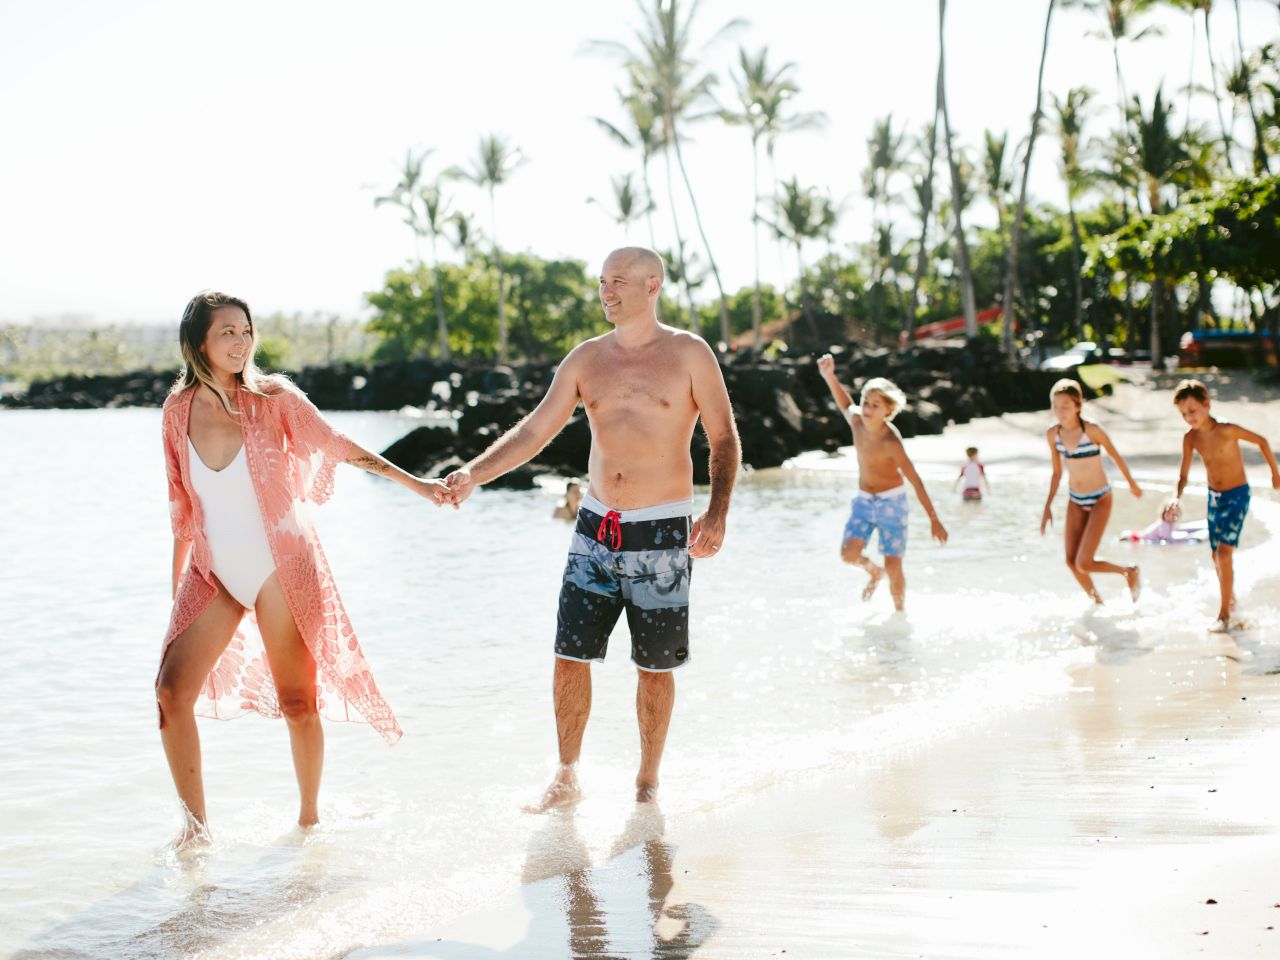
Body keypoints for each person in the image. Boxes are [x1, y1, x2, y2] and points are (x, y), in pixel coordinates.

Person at [444, 247, 740, 812]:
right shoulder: (585, 359)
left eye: (620, 282)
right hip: (595, 531)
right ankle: (566, 775)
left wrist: (718, 512)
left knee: (654, 667)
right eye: (603, 281)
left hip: (661, 534)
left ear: (653, 286)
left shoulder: (688, 354)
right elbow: (534, 432)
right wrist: (474, 474)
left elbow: (723, 438)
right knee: (568, 655)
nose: (607, 291)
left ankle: (647, 778)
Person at [157, 291, 449, 848]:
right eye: (227, 333)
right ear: (199, 344)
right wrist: (174, 594)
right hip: (213, 571)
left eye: (246, 331)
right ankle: (195, 834)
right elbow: (180, 507)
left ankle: (309, 824)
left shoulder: (274, 399)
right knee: (172, 694)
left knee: (298, 701)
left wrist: (418, 484)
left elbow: (336, 444)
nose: (241, 342)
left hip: (280, 566)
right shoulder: (176, 413)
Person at [816, 355, 948, 611]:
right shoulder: (857, 422)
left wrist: (934, 518)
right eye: (866, 402)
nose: (866, 409)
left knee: (894, 564)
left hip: (892, 503)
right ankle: (873, 572)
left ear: (888, 411)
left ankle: (900, 614)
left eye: (875, 405)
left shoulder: (891, 442)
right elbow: (845, 403)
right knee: (848, 554)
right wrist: (829, 376)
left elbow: (915, 480)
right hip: (864, 501)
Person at [1170, 378, 1280, 631]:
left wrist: (1275, 473)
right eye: (1184, 414)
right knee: (1215, 556)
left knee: (1223, 554)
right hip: (1215, 498)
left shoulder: (1227, 429)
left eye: (1192, 411)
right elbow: (1183, 475)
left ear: (1206, 404)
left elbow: (1261, 440)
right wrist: (1177, 497)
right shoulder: (1191, 439)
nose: (1189, 418)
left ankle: (1223, 616)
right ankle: (1232, 603)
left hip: (1237, 496)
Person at [1040, 378, 1142, 604]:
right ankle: (1098, 603)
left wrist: (1132, 485)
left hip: (1100, 499)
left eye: (1065, 406)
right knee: (1070, 561)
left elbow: (1116, 457)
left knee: (1083, 562)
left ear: (1078, 406)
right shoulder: (1053, 435)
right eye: (1055, 406)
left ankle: (1128, 571)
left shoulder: (1092, 430)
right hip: (1075, 499)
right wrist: (1047, 507)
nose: (1060, 411)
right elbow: (1057, 473)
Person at [1118, 498, 1207, 544]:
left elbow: (1179, 530)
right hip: (1138, 539)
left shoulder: (1169, 523)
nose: (1172, 517)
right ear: (1164, 513)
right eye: (1169, 514)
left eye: (1175, 515)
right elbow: (1168, 539)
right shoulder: (1163, 525)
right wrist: (1187, 538)